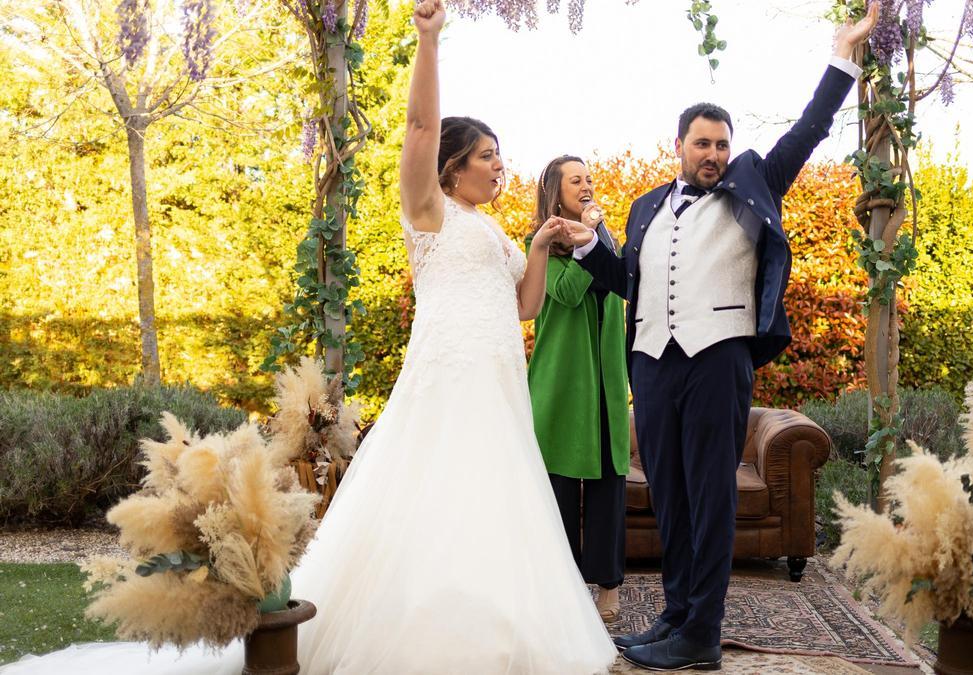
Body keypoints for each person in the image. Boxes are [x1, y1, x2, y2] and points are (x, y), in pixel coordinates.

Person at [0, 2, 616, 673]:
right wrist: (429, 41)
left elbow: (525, 307)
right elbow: (417, 126)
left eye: (500, 156)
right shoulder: (428, 211)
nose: (502, 167)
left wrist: (536, 245)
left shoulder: (494, 231)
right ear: (451, 166)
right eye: (488, 156)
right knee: (440, 499)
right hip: (449, 380)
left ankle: (504, 631)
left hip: (500, 387)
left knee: (496, 506)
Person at [557, 3, 881, 670]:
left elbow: (808, 131)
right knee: (672, 495)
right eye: (702, 143)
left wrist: (842, 57)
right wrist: (589, 249)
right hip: (651, 364)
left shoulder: (751, 184)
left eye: (721, 144)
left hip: (717, 358)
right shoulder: (645, 205)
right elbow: (629, 281)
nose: (713, 154)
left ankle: (703, 632)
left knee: (709, 496)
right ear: (679, 145)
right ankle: (676, 615)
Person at [527, 156, 630, 624]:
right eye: (576, 180)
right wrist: (588, 245)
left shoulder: (605, 238)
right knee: (562, 489)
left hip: (606, 379)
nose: (587, 186)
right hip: (562, 382)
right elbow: (567, 293)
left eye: (589, 178)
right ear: (556, 191)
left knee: (609, 483)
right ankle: (563, 588)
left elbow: (625, 286)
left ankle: (608, 587)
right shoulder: (542, 247)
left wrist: (598, 239)